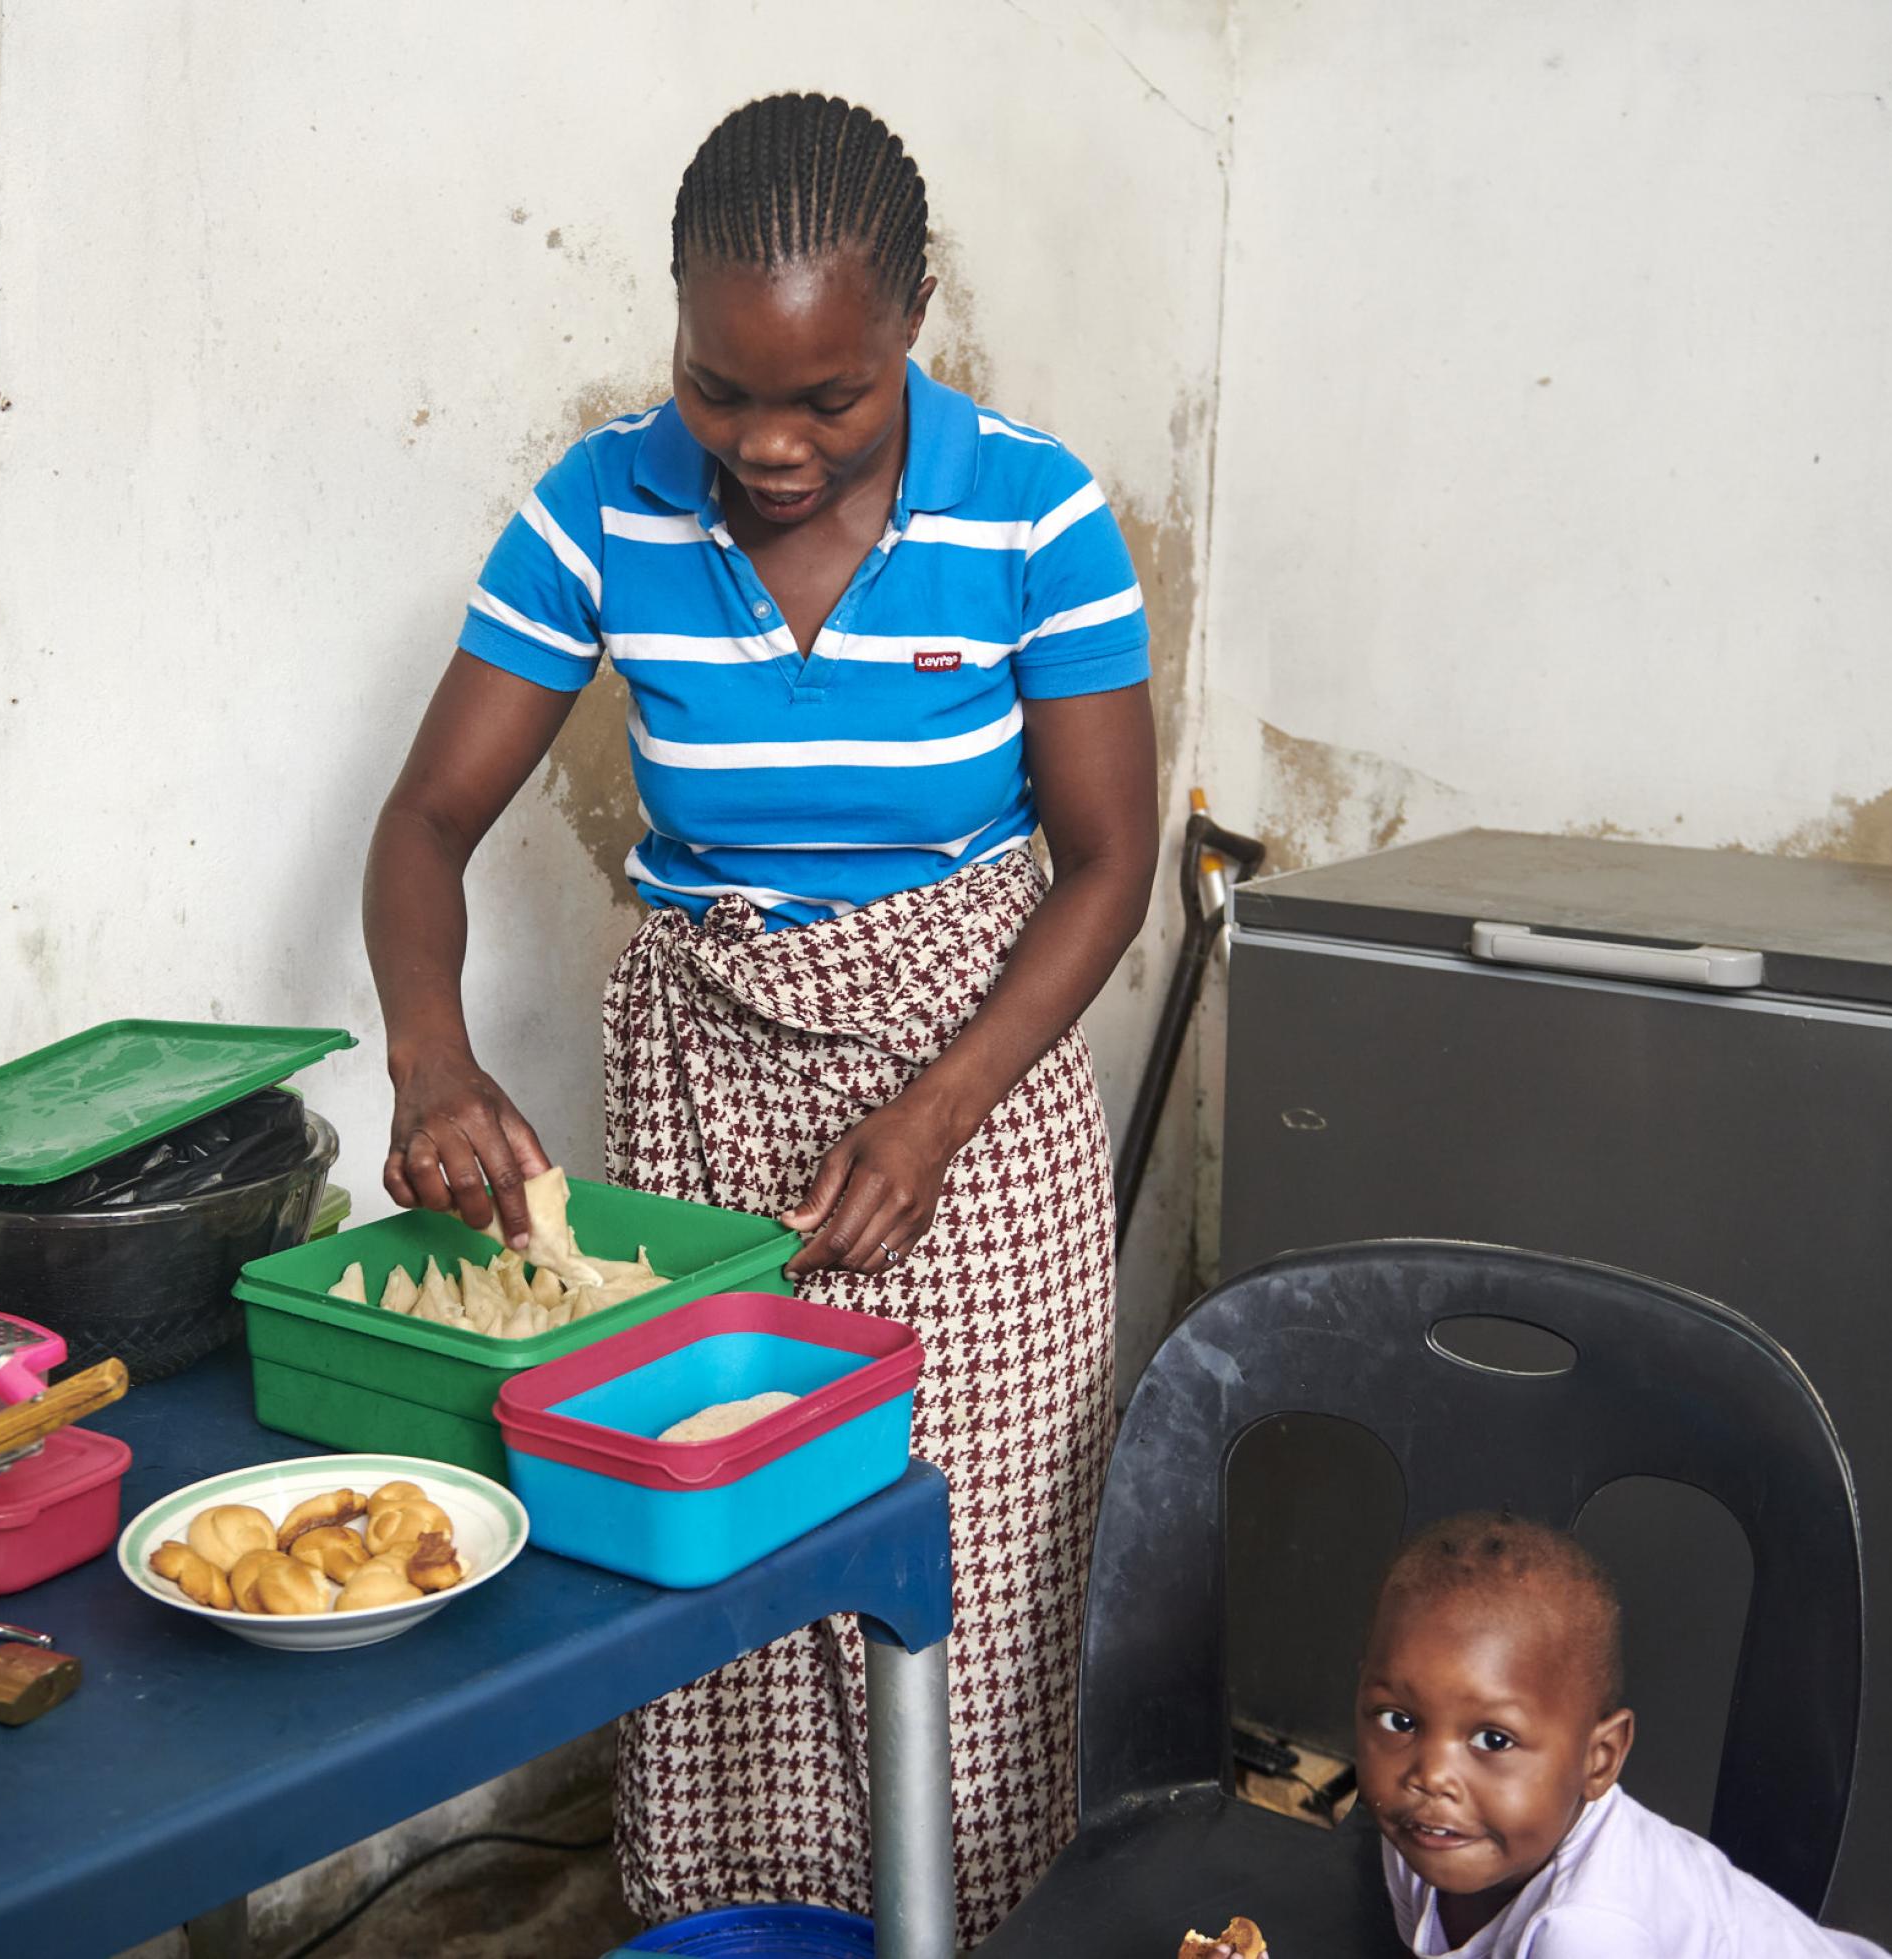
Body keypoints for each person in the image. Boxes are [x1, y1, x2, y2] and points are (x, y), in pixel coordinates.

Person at [362, 92, 1158, 1942]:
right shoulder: (598, 506)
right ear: (671, 326)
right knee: (714, 1571)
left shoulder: (1033, 508)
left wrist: (938, 1106)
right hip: (706, 1091)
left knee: (964, 1602)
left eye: (827, 397)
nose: (767, 444)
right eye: (720, 390)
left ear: (913, 322)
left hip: (979, 1082)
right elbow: (423, 820)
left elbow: (1106, 860)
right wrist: (429, 1047)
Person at [1358, 1513, 1892, 1957]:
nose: (1430, 1774)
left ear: (1599, 1759)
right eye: (1398, 1721)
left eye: (1493, 1740)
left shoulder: (1587, 1932)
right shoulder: (1427, 1834)